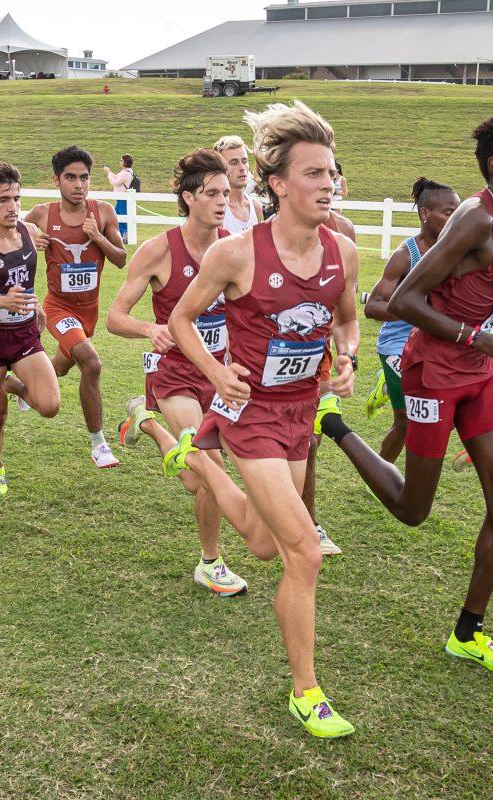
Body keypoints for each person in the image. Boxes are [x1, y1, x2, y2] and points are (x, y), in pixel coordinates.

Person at [315, 111, 493, 676]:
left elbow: (488, 290)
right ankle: (333, 425)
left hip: (478, 372)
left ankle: (468, 632)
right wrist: (480, 337)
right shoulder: (474, 218)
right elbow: (403, 299)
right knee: (413, 509)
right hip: (432, 371)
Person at [163, 101, 360, 737]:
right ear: (277, 184)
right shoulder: (236, 253)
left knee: (265, 543)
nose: (327, 183)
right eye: (313, 173)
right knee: (304, 552)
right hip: (248, 412)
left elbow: (349, 318)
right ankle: (307, 690)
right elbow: (181, 320)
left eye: (331, 172)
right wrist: (217, 373)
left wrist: (349, 358)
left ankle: (194, 458)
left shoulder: (344, 252)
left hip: (300, 414)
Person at [108, 148, 253, 596]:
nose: (222, 202)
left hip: (217, 374)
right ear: (188, 198)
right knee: (209, 466)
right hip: (171, 370)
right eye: (212, 193)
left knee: (194, 479)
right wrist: (150, 328)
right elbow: (114, 317)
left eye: (226, 193)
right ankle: (211, 563)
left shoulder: (237, 249)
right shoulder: (158, 250)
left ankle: (145, 422)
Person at [24, 145, 128, 468]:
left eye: (84, 177)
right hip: (58, 307)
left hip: (88, 310)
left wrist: (97, 236)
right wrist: (32, 238)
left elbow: (121, 259)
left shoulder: (104, 212)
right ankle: (98, 444)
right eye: (70, 177)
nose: (79, 185)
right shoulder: (43, 213)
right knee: (90, 362)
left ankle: (18, 385)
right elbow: (13, 234)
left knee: (64, 365)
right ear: (56, 180)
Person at [0, 161, 60, 496]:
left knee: (50, 405)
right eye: (3, 200)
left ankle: (12, 385)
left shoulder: (29, 232)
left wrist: (34, 304)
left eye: (16, 198)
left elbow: (25, 280)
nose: (12, 207)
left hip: (24, 335)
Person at [364, 178, 460, 464]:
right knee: (406, 424)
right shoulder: (406, 255)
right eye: (448, 212)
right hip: (399, 346)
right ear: (426, 214)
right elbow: (372, 307)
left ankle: (388, 384)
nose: (455, 218)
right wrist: (416, 309)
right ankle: (379, 477)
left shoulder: (456, 251)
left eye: (458, 211)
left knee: (446, 414)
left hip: (435, 344)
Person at [214, 135, 263, 234]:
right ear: (220, 168)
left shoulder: (256, 206)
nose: (242, 168)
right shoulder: (216, 209)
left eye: (244, 161)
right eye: (234, 163)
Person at [104, 155, 133, 240]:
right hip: (121, 198)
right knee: (116, 216)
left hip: (122, 198)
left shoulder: (125, 173)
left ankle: (123, 235)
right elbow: (116, 176)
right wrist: (109, 171)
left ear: (125, 162)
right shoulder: (125, 172)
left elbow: (114, 182)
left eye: (121, 160)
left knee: (121, 216)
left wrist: (108, 173)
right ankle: (120, 235)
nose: (120, 162)